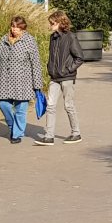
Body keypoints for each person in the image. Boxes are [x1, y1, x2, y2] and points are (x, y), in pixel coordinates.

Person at [35, 10, 83, 145]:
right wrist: (50, 68)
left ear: (60, 22)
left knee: (69, 106)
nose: (50, 25)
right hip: (54, 77)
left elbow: (79, 57)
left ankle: (76, 133)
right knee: (50, 105)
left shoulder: (71, 37)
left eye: (52, 23)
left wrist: (68, 70)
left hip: (66, 77)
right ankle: (49, 136)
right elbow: (52, 56)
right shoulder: (53, 37)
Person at [0, 15, 42, 144]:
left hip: (23, 81)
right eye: (13, 26)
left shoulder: (29, 41)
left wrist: (37, 84)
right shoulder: (3, 39)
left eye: (18, 27)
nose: (14, 29)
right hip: (5, 79)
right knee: (2, 104)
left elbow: (35, 63)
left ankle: (17, 134)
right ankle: (12, 125)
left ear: (23, 28)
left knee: (21, 109)